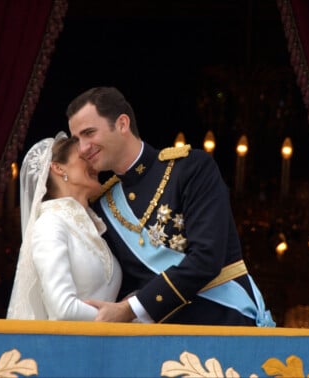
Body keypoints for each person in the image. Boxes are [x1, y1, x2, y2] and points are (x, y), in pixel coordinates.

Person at [67, 86, 274, 326]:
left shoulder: (191, 169)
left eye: (89, 133)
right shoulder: (103, 206)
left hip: (226, 327)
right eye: (77, 140)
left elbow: (207, 258)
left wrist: (129, 309)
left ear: (122, 124)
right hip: (159, 345)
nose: (82, 149)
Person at [7, 132, 122, 320]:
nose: (94, 163)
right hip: (68, 347)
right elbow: (63, 309)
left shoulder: (93, 228)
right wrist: (122, 317)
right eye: (84, 157)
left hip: (103, 345)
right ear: (59, 168)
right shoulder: (50, 224)